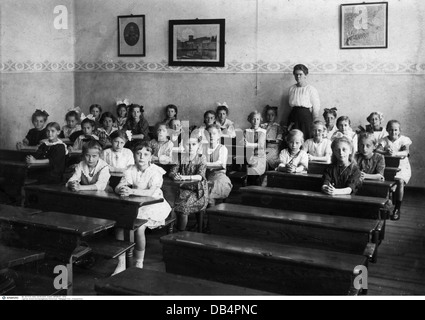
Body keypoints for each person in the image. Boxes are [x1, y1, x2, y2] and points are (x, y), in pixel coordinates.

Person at [115, 143, 171, 270]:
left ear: (150, 157)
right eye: (138, 154)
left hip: (153, 203)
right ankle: (121, 261)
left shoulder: (156, 171)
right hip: (135, 201)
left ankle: (139, 262)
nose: (141, 157)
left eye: (145, 154)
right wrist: (121, 189)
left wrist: (131, 191)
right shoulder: (130, 169)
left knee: (139, 228)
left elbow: (150, 193)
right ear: (134, 156)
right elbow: (120, 185)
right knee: (120, 226)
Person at [169, 133, 208, 232]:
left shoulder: (201, 158)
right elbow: (172, 171)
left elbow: (200, 176)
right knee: (170, 201)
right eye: (188, 144)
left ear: (198, 145)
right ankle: (175, 228)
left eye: (194, 144)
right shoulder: (181, 157)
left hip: (198, 191)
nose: (190, 147)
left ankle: (180, 232)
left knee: (183, 207)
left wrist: (184, 177)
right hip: (182, 189)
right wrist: (175, 175)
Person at [376, 120, 412, 221]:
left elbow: (406, 152)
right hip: (388, 167)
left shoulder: (404, 140)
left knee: (400, 181)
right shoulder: (384, 140)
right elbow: (377, 150)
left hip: (402, 166)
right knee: (385, 183)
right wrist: (385, 151)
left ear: (399, 130)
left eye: (396, 130)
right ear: (387, 130)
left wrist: (395, 153)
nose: (393, 132)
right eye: (391, 130)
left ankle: (397, 209)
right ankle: (385, 207)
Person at [288, 64, 321, 139]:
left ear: (305, 75)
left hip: (306, 118)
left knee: (305, 137)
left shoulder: (311, 89)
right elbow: (290, 106)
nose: (298, 76)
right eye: (296, 74)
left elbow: (316, 107)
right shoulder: (291, 89)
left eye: (300, 74)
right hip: (294, 117)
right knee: (293, 138)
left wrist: (315, 120)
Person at [205, 124, 233, 207]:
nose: (211, 136)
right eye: (208, 134)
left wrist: (204, 164)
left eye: (214, 134)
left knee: (210, 195)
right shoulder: (202, 148)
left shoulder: (222, 148)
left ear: (218, 135)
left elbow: (220, 164)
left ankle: (211, 217)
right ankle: (201, 219)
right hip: (205, 177)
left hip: (219, 178)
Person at [245, 111, 267, 183]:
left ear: (260, 120)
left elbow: (260, 145)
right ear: (250, 120)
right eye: (253, 119)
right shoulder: (246, 131)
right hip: (249, 156)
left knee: (253, 173)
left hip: (259, 157)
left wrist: (248, 144)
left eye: (257, 119)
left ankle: (254, 189)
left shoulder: (263, 131)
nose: (255, 122)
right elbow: (242, 144)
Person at [261, 106, 283, 170]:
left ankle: (265, 177)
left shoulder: (278, 127)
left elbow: (279, 140)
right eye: (268, 115)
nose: (270, 117)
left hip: (273, 149)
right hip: (263, 148)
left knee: (264, 159)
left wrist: (270, 141)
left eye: (272, 115)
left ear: (275, 116)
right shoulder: (263, 126)